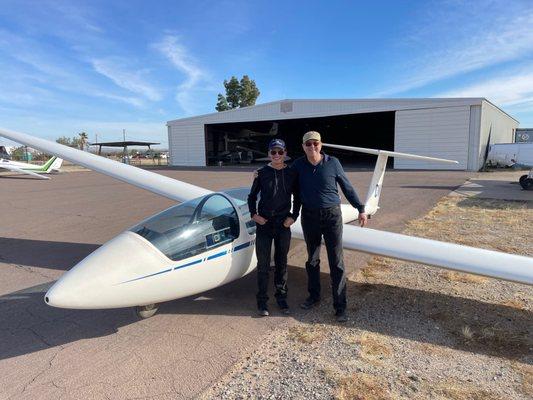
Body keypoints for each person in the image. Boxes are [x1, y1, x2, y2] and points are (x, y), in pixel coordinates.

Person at [292, 131, 367, 322]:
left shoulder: (333, 163)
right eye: (308, 144)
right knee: (313, 259)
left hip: (332, 216)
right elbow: (285, 181)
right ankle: (314, 296)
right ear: (303, 147)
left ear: (321, 144)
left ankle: (340, 306)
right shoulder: (298, 165)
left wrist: (360, 207)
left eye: (315, 143)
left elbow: (347, 187)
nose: (312, 147)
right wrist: (261, 173)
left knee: (336, 261)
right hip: (309, 216)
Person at [247, 139, 301, 316]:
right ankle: (262, 302)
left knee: (281, 263)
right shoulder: (261, 173)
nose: (276, 155)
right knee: (263, 265)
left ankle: (281, 298)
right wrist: (254, 215)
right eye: (273, 152)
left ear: (285, 153)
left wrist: (293, 217)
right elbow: (252, 197)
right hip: (264, 224)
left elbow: (298, 198)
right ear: (269, 154)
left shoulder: (292, 173)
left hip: (282, 225)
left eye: (280, 152)